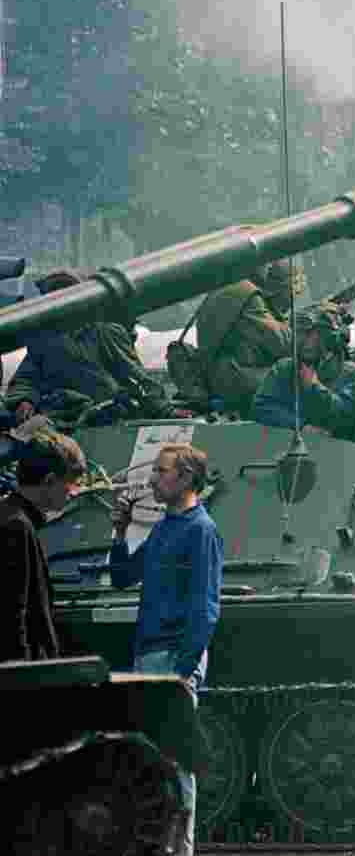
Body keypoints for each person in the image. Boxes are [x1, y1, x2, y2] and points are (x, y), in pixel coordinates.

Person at [109, 443, 223, 856]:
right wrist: (119, 532)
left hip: (173, 656)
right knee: (160, 760)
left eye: (162, 472)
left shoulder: (200, 530)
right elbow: (123, 576)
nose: (154, 479)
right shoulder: (166, 527)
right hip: (151, 652)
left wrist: (184, 668)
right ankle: (167, 853)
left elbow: (206, 607)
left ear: (187, 479)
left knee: (176, 760)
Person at [5, 269, 183, 426]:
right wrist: (24, 401)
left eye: (66, 292)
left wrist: (164, 411)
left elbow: (136, 378)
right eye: (54, 294)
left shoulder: (105, 332)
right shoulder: (45, 340)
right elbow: (26, 379)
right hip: (60, 417)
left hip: (105, 419)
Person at [252, 303, 355, 440]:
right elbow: (261, 408)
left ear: (330, 339)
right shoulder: (285, 369)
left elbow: (344, 418)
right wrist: (300, 426)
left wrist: (314, 387)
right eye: (301, 333)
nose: (304, 341)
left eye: (313, 335)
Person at [0, 428, 86, 662]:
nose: (75, 493)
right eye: (72, 484)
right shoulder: (17, 527)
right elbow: (13, 616)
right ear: (49, 481)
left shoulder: (10, 516)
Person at [195, 259, 302, 415]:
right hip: (234, 378)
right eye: (293, 292)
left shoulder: (226, 289)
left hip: (219, 375)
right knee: (300, 379)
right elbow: (283, 343)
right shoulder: (247, 295)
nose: (293, 298)